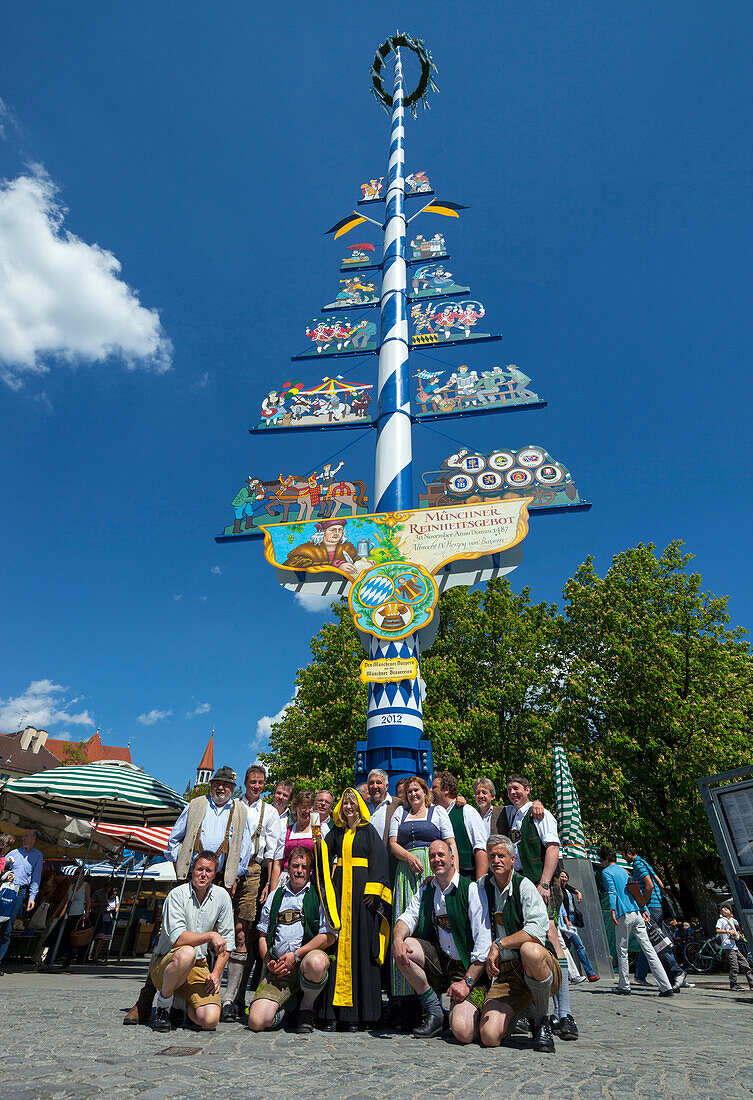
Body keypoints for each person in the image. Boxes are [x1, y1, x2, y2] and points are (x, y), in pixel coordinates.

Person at [125, 766, 250, 1026]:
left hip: (222, 880)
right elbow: (175, 838)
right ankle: (146, 1001)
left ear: (232, 789)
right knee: (171, 941)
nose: (221, 788)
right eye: (217, 783)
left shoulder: (239, 810)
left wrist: (233, 876)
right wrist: (182, 866)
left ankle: (191, 997)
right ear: (211, 784)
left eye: (226, 785)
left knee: (220, 943)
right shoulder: (195, 804)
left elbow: (244, 846)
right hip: (189, 875)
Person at [392, 839, 491, 1043]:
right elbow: (408, 917)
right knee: (404, 947)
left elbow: (484, 944)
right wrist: (396, 938)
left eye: (441, 855)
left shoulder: (471, 890)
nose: (436, 860)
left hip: (469, 970)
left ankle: (481, 1005)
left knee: (462, 1032)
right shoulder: (427, 888)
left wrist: (467, 982)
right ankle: (435, 1012)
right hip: (441, 962)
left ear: (452, 858)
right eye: (432, 856)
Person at [503, 774, 578, 1040]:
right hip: (521, 884)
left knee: (551, 937)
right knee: (529, 942)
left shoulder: (541, 813)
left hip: (539, 882)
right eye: (509, 789)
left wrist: (544, 883)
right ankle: (533, 1010)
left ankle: (565, 1013)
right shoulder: (511, 815)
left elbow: (553, 848)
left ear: (527, 789)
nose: (513, 793)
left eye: (517, 789)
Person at [478, 834, 562, 1054]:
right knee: (488, 1036)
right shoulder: (481, 886)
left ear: (512, 859)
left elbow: (536, 931)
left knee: (530, 950)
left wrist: (499, 944)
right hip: (504, 976)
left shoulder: (524, 886)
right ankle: (521, 1012)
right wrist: (432, 881)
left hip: (538, 966)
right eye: (492, 856)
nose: (496, 860)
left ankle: (541, 1020)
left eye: (501, 856)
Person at [319, 788, 391, 1031]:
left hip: (361, 898)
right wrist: (315, 832)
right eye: (345, 804)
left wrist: (373, 890)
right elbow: (323, 853)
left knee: (360, 948)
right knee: (337, 948)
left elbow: (379, 860)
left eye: (353, 803)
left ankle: (358, 1016)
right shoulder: (336, 832)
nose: (349, 807)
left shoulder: (368, 831)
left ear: (360, 806)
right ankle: (334, 1013)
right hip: (340, 896)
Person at [248, 846, 336, 1034]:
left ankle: (305, 1009)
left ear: (310, 871)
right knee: (256, 1022)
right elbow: (262, 936)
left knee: (317, 962)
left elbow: (328, 936)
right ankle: (288, 1010)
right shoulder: (275, 896)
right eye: (296, 866)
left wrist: (296, 955)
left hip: (304, 963)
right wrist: (269, 962)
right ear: (288, 869)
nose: (299, 871)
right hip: (279, 969)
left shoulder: (319, 895)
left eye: (304, 867)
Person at [222, 764, 282, 1022]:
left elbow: (272, 854)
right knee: (219, 929)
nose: (256, 786)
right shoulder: (233, 806)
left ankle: (233, 998)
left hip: (253, 871)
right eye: (252, 782)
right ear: (245, 783)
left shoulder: (269, 812)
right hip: (227, 868)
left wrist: (270, 884)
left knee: (241, 932)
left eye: (260, 782)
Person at [389, 776, 456, 1008]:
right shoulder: (400, 814)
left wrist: (452, 869)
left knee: (430, 925)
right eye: (409, 792)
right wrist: (408, 857)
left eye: (416, 790)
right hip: (406, 873)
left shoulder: (438, 812)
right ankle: (405, 1001)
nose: (413, 795)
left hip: (432, 868)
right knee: (405, 925)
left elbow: (450, 841)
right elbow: (393, 843)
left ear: (425, 792)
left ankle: (435, 995)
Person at [149, 851, 235, 1033]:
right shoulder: (176, 895)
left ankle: (180, 1003)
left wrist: (216, 973)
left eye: (209, 871)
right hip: (167, 963)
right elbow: (178, 939)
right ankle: (163, 1008)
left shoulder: (222, 897)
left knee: (210, 1020)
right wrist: (210, 935)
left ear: (214, 874)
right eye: (199, 869)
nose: (203, 874)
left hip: (198, 966)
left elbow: (228, 941)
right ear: (192, 871)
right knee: (188, 952)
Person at [598, 846, 673, 997]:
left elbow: (612, 892)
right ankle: (666, 986)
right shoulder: (624, 871)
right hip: (637, 912)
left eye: (601, 859)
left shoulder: (606, 872)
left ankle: (624, 985)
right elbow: (635, 891)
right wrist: (644, 907)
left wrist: (612, 910)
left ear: (605, 859)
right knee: (649, 950)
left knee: (622, 950)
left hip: (623, 913)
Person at [618, 842, 685, 990]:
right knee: (659, 941)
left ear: (628, 852)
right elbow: (659, 883)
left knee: (654, 943)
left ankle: (677, 972)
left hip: (651, 908)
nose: (623, 857)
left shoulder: (637, 864)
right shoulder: (645, 862)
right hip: (658, 906)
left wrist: (644, 902)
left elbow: (650, 885)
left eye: (623, 854)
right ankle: (669, 978)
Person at [0, 830, 43, 972]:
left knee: (7, 925)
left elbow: (36, 878)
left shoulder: (38, 856)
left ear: (34, 839)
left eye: (26, 836)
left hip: (20, 891)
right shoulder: (13, 853)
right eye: (23, 836)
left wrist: (32, 897)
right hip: (5, 888)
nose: (23, 838)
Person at [431, 772, 488, 880]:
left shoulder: (466, 811)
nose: (430, 790)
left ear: (446, 789)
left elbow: (480, 848)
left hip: (467, 878)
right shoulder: (434, 814)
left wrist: (480, 885)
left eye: (434, 787)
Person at [557, 869, 597, 982]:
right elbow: (560, 907)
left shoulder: (566, 888)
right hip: (566, 921)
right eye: (562, 877)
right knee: (578, 946)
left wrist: (578, 892)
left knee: (565, 949)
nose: (564, 878)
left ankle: (565, 975)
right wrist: (566, 920)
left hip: (572, 919)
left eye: (565, 877)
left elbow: (572, 889)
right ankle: (590, 973)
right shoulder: (558, 890)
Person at [275, 789, 316, 871]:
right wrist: (272, 883)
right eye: (303, 807)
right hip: (287, 877)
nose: (307, 811)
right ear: (295, 808)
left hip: (311, 879)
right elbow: (278, 863)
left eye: (310, 807)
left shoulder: (318, 830)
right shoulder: (286, 831)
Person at [716, 903, 753, 991]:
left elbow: (739, 925)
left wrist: (738, 932)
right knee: (734, 966)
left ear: (730, 912)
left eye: (727, 908)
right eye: (723, 908)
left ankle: (751, 984)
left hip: (734, 946)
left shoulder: (732, 920)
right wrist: (727, 931)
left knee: (746, 965)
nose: (724, 908)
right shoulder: (721, 920)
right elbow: (717, 930)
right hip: (727, 946)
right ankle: (733, 984)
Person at [58, 874, 92, 970]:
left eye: (79, 874)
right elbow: (64, 900)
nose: (76, 876)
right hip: (68, 913)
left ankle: (69, 958)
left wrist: (87, 911)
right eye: (76, 874)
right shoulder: (71, 886)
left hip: (78, 913)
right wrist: (57, 913)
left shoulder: (85, 885)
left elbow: (88, 899)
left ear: (82, 875)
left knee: (73, 935)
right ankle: (65, 956)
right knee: (65, 935)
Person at [366, 768, 400, 846]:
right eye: (371, 783)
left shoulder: (397, 804)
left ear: (386, 786)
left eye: (378, 783)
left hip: (387, 856)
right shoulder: (362, 806)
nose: (375, 786)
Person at [91, 886, 119, 962]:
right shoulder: (104, 896)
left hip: (108, 919)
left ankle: (97, 954)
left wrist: (114, 911)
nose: (114, 895)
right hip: (101, 917)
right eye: (113, 894)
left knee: (104, 939)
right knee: (99, 937)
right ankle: (94, 955)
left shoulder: (116, 899)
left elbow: (117, 907)